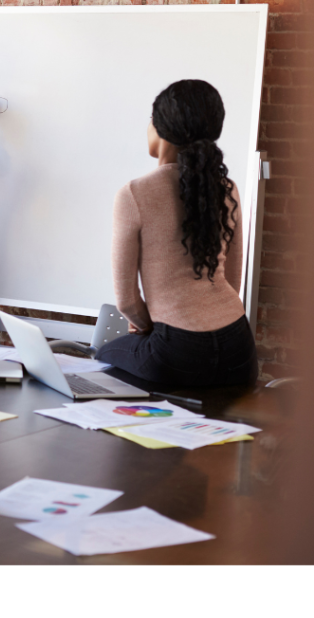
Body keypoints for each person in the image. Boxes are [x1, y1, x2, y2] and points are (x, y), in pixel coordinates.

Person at [96, 79, 259, 388]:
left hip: (177, 354)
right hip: (239, 351)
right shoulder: (228, 189)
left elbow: (128, 302)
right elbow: (233, 281)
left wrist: (149, 328)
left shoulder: (135, 193)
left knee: (106, 352)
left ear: (160, 126)